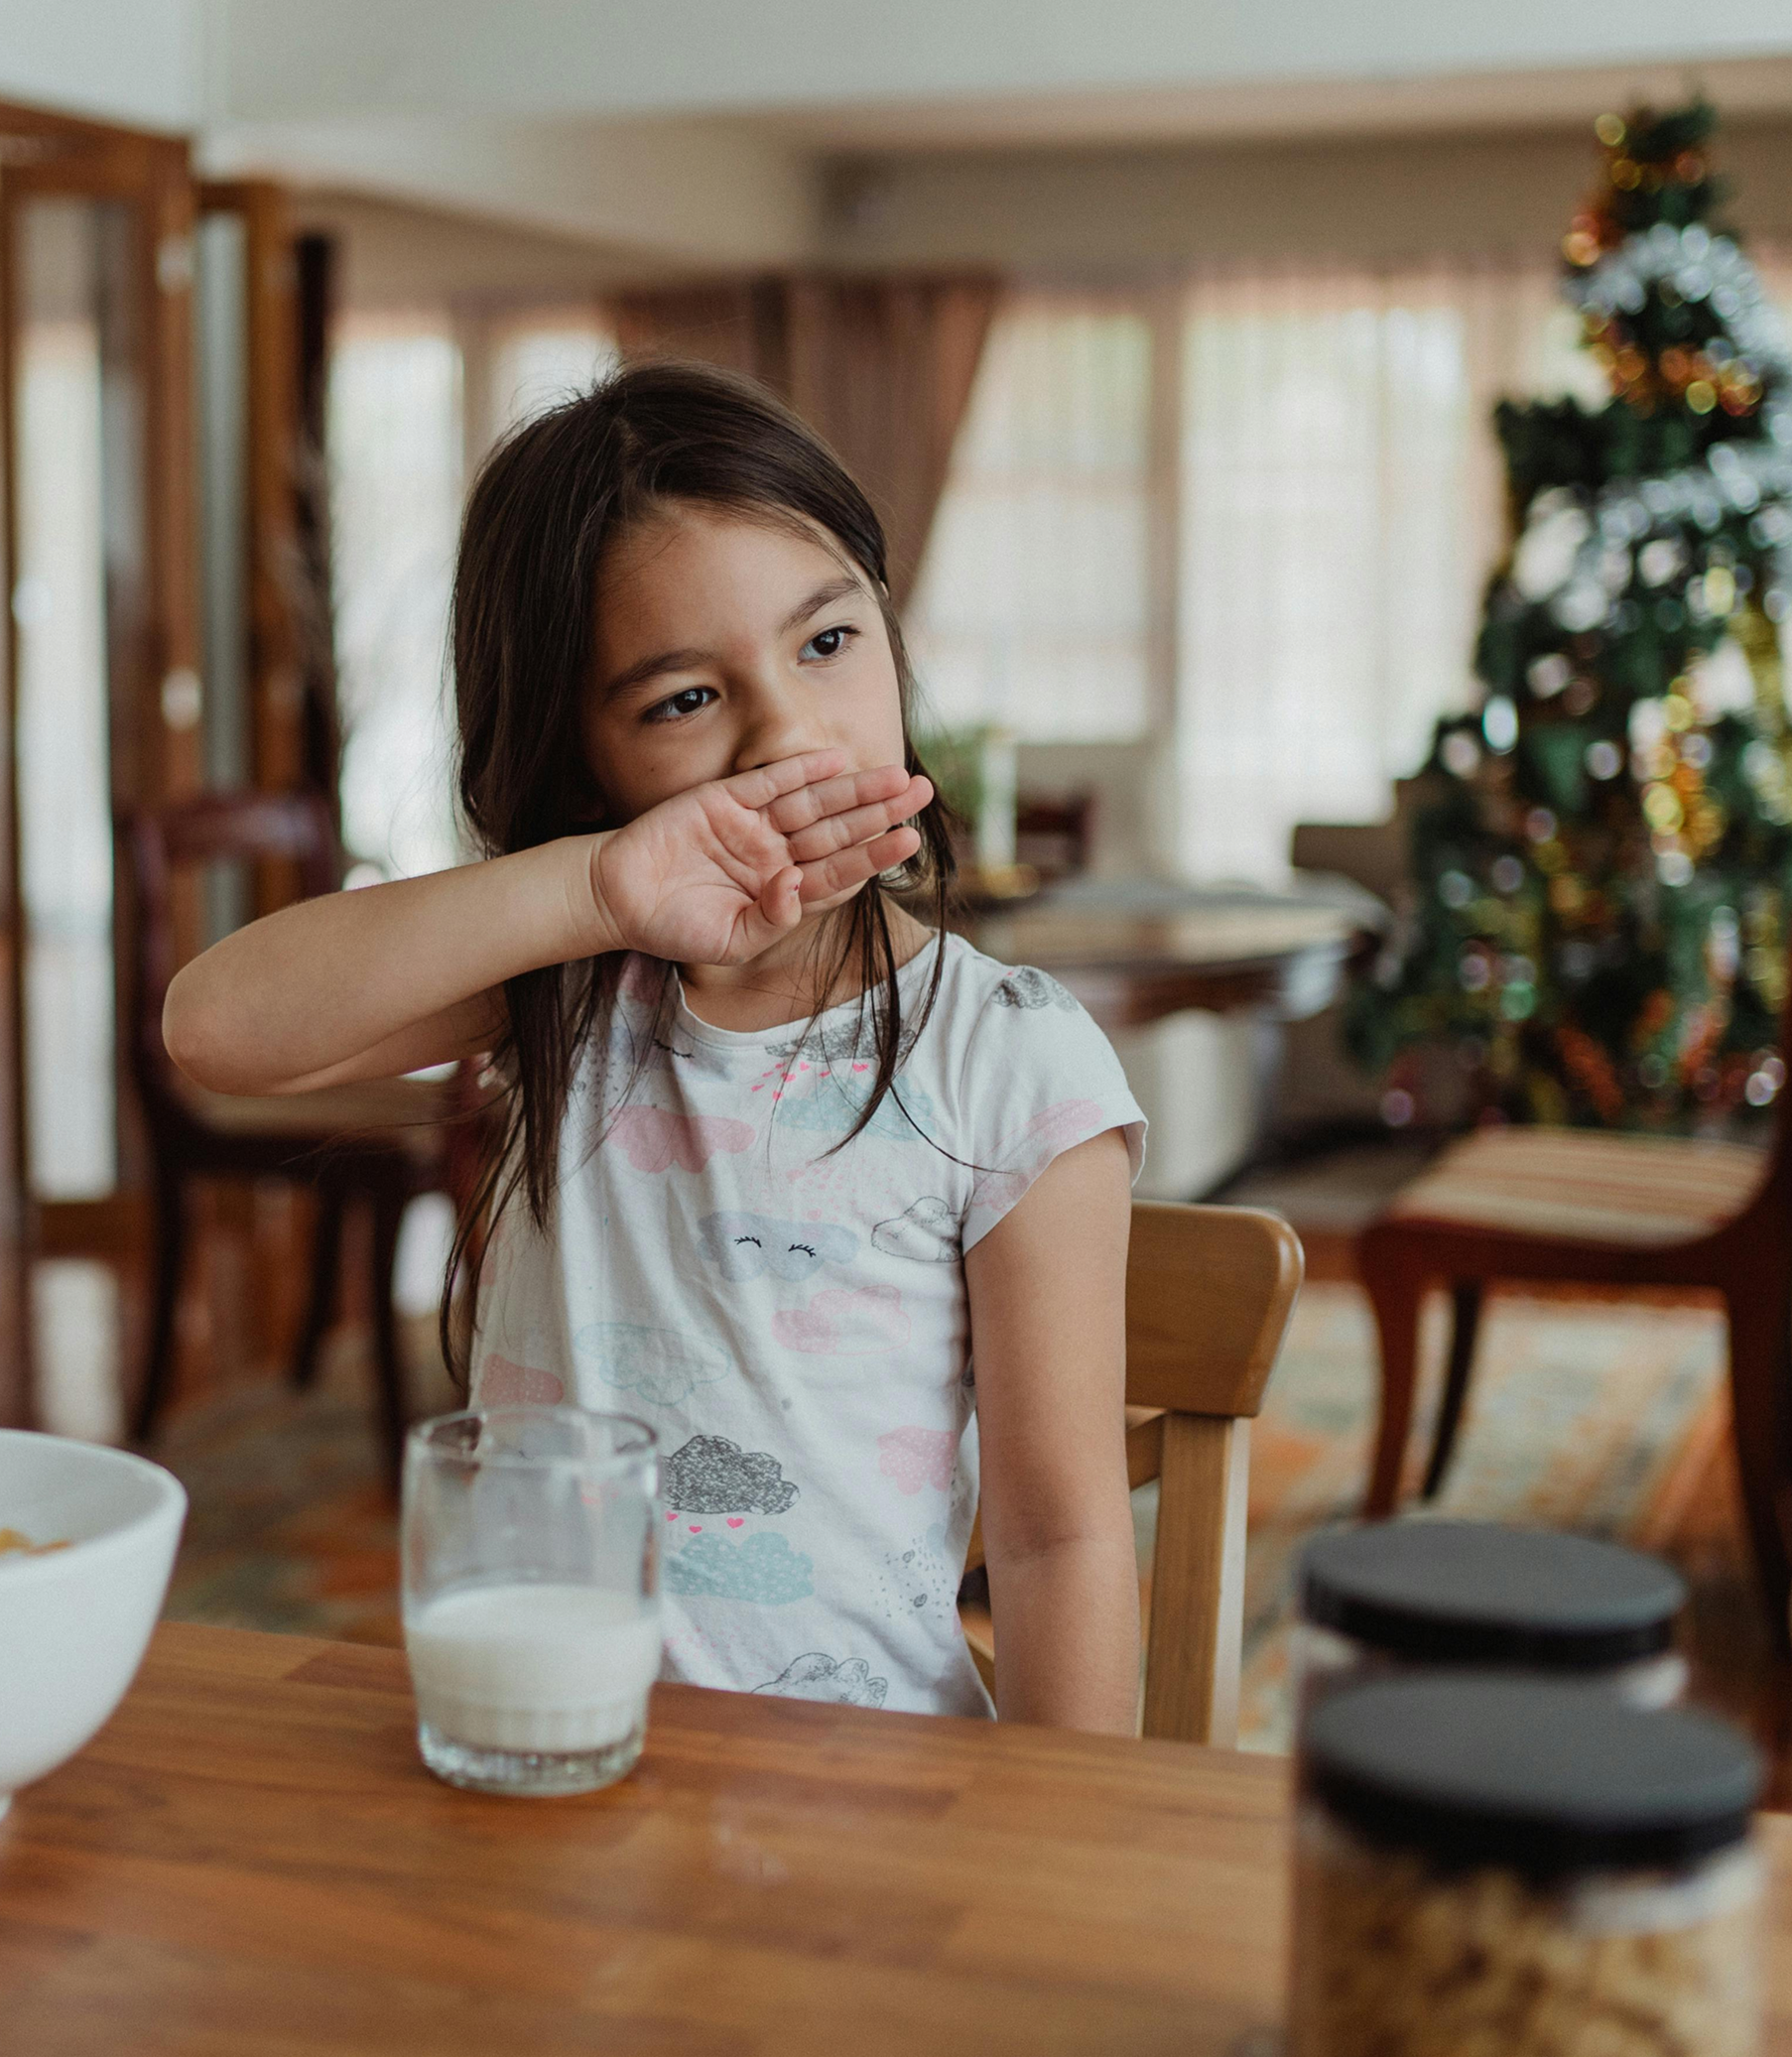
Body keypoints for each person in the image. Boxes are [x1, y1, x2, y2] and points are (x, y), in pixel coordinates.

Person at [165, 362, 1144, 1729]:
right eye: (684, 700)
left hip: (867, 1814)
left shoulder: (1007, 1063)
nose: (790, 734)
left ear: (886, 624)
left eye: (826, 642)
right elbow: (214, 1027)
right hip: (542, 1748)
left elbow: (1059, 1545)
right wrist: (590, 892)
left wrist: (1064, 1875)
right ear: (584, 762)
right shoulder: (572, 976)